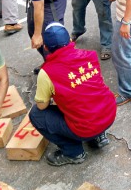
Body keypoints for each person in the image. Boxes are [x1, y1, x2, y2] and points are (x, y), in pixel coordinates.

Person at [30, 23, 117, 166]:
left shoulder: (47, 72)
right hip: (108, 115)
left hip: (85, 127)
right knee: (89, 96)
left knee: (36, 114)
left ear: (45, 48)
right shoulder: (90, 55)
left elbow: (42, 105)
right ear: (71, 41)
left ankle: (73, 152)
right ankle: (99, 136)